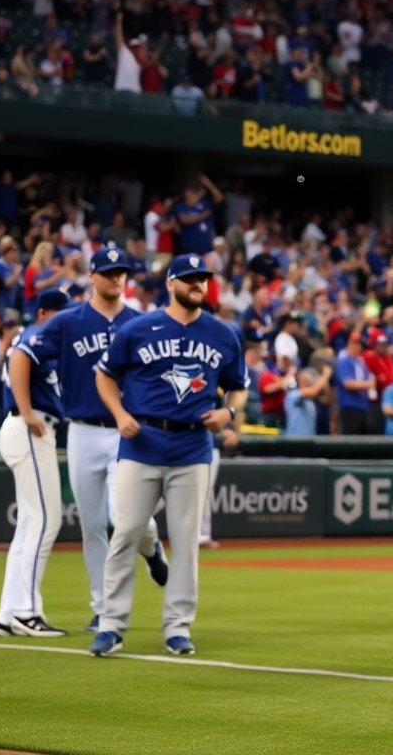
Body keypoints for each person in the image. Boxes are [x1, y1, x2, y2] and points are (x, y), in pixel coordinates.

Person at [89, 254, 247, 657]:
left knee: (186, 540)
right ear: (172, 283)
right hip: (141, 440)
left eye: (203, 280)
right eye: (191, 279)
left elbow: (238, 386)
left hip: (193, 445)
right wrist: (120, 413)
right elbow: (104, 374)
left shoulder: (223, 333)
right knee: (125, 531)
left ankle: (178, 626)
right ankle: (111, 624)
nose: (199, 285)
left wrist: (228, 412)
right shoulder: (137, 328)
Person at [31, 248, 167, 633]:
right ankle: (102, 608)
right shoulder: (67, 322)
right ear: (92, 276)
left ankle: (151, 545)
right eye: (108, 272)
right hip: (83, 429)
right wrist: (25, 407)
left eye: (122, 272)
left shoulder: (142, 323)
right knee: (93, 526)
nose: (116, 278)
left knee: (126, 517)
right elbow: (25, 353)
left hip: (130, 430)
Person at [0, 289, 69, 638]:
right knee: (44, 519)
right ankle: (27, 612)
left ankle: (9, 612)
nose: (64, 321)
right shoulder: (36, 334)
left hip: (28, 426)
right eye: (59, 313)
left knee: (29, 524)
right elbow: (21, 356)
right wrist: (26, 412)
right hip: (28, 425)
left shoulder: (49, 342)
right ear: (42, 312)